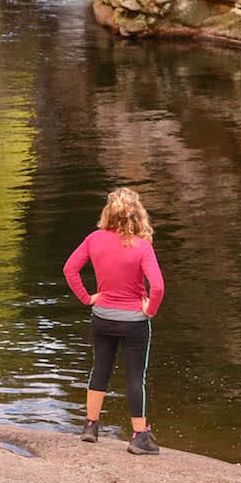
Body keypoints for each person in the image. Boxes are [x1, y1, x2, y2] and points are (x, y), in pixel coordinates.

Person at [62, 187, 164, 454]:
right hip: (134, 322)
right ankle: (140, 436)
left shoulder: (94, 239)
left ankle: (90, 426)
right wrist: (150, 310)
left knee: (100, 369)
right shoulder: (142, 247)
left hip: (103, 317)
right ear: (137, 215)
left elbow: (70, 269)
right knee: (134, 377)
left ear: (108, 212)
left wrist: (88, 298)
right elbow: (158, 287)